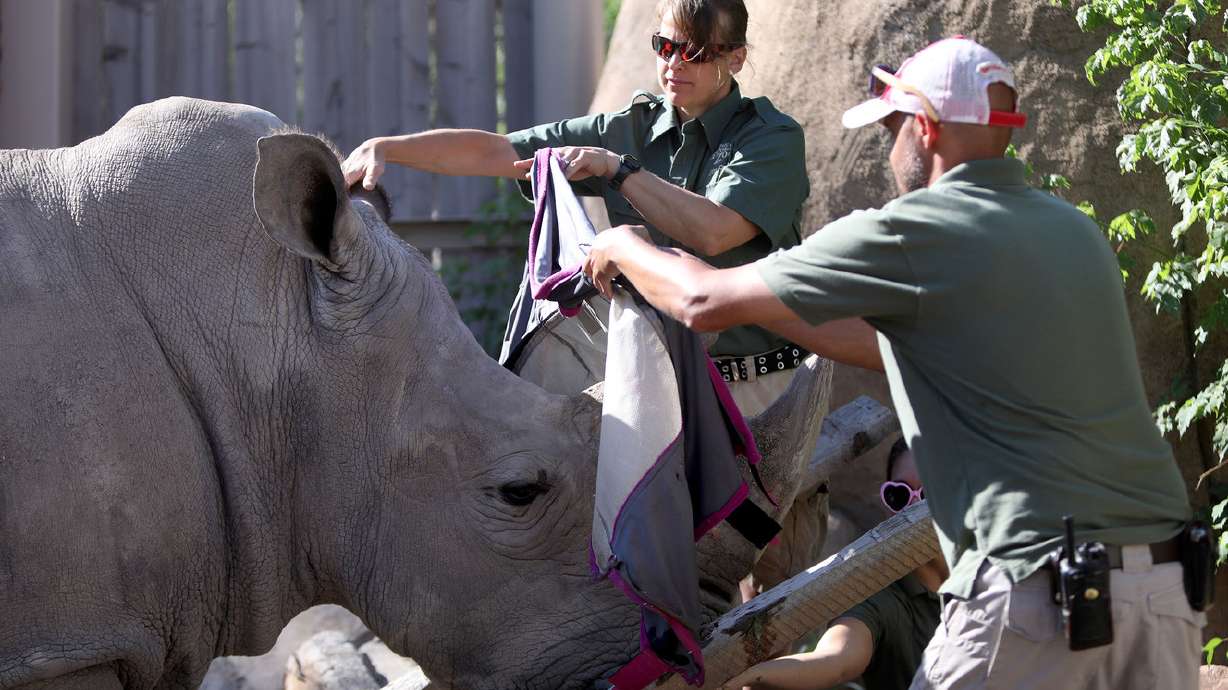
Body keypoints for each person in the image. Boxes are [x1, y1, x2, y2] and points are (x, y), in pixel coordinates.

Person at [582, 37, 1202, 690]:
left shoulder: (915, 227)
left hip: (1033, 590)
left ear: (926, 128)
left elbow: (703, 302)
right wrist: (733, 294)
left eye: (890, 128)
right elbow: (889, 343)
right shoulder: (1072, 232)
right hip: (1161, 590)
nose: (888, 148)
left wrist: (625, 245)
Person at [345, 0, 847, 592]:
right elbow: (499, 152)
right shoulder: (632, 125)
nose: (673, 64)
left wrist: (617, 170)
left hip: (760, 388)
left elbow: (715, 231)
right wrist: (391, 147)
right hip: (665, 384)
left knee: (772, 582)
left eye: (696, 51)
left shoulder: (772, 137)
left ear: (736, 57)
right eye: (664, 46)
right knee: (654, 574)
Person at [723, 439, 945, 690]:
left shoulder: (992, 575)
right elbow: (834, 660)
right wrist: (750, 675)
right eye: (899, 495)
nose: (914, 508)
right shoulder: (880, 600)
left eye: (929, 495)